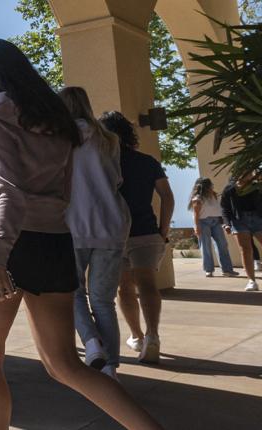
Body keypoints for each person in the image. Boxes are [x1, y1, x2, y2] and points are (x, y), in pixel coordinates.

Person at [0, 39, 159, 430]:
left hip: (4, 245)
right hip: (54, 245)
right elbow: (64, 191)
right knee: (64, 364)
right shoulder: (59, 121)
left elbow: (8, 190)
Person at [59, 86, 131, 378]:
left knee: (72, 292)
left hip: (73, 224)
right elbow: (116, 179)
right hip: (112, 225)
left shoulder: (57, 140)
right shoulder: (109, 140)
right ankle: (111, 368)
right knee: (103, 300)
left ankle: (91, 343)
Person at [102, 111, 174, 365]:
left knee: (125, 288)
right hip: (147, 231)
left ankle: (137, 336)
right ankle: (153, 335)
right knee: (148, 284)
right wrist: (163, 231)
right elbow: (167, 195)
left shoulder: (104, 163)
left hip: (114, 234)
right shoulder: (148, 161)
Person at [222, 173, 262, 291]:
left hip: (258, 219)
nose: (249, 174)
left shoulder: (257, 186)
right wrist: (226, 223)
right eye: (245, 172)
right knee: (245, 250)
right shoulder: (230, 189)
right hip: (239, 221)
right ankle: (252, 281)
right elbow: (224, 207)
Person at [191, 178, 238, 277]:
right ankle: (209, 269)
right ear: (205, 186)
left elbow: (218, 209)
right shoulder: (197, 198)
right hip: (203, 222)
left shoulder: (214, 195)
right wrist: (196, 227)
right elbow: (196, 215)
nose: (212, 186)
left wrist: (224, 223)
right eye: (210, 185)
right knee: (206, 246)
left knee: (223, 245)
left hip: (216, 222)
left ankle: (227, 270)